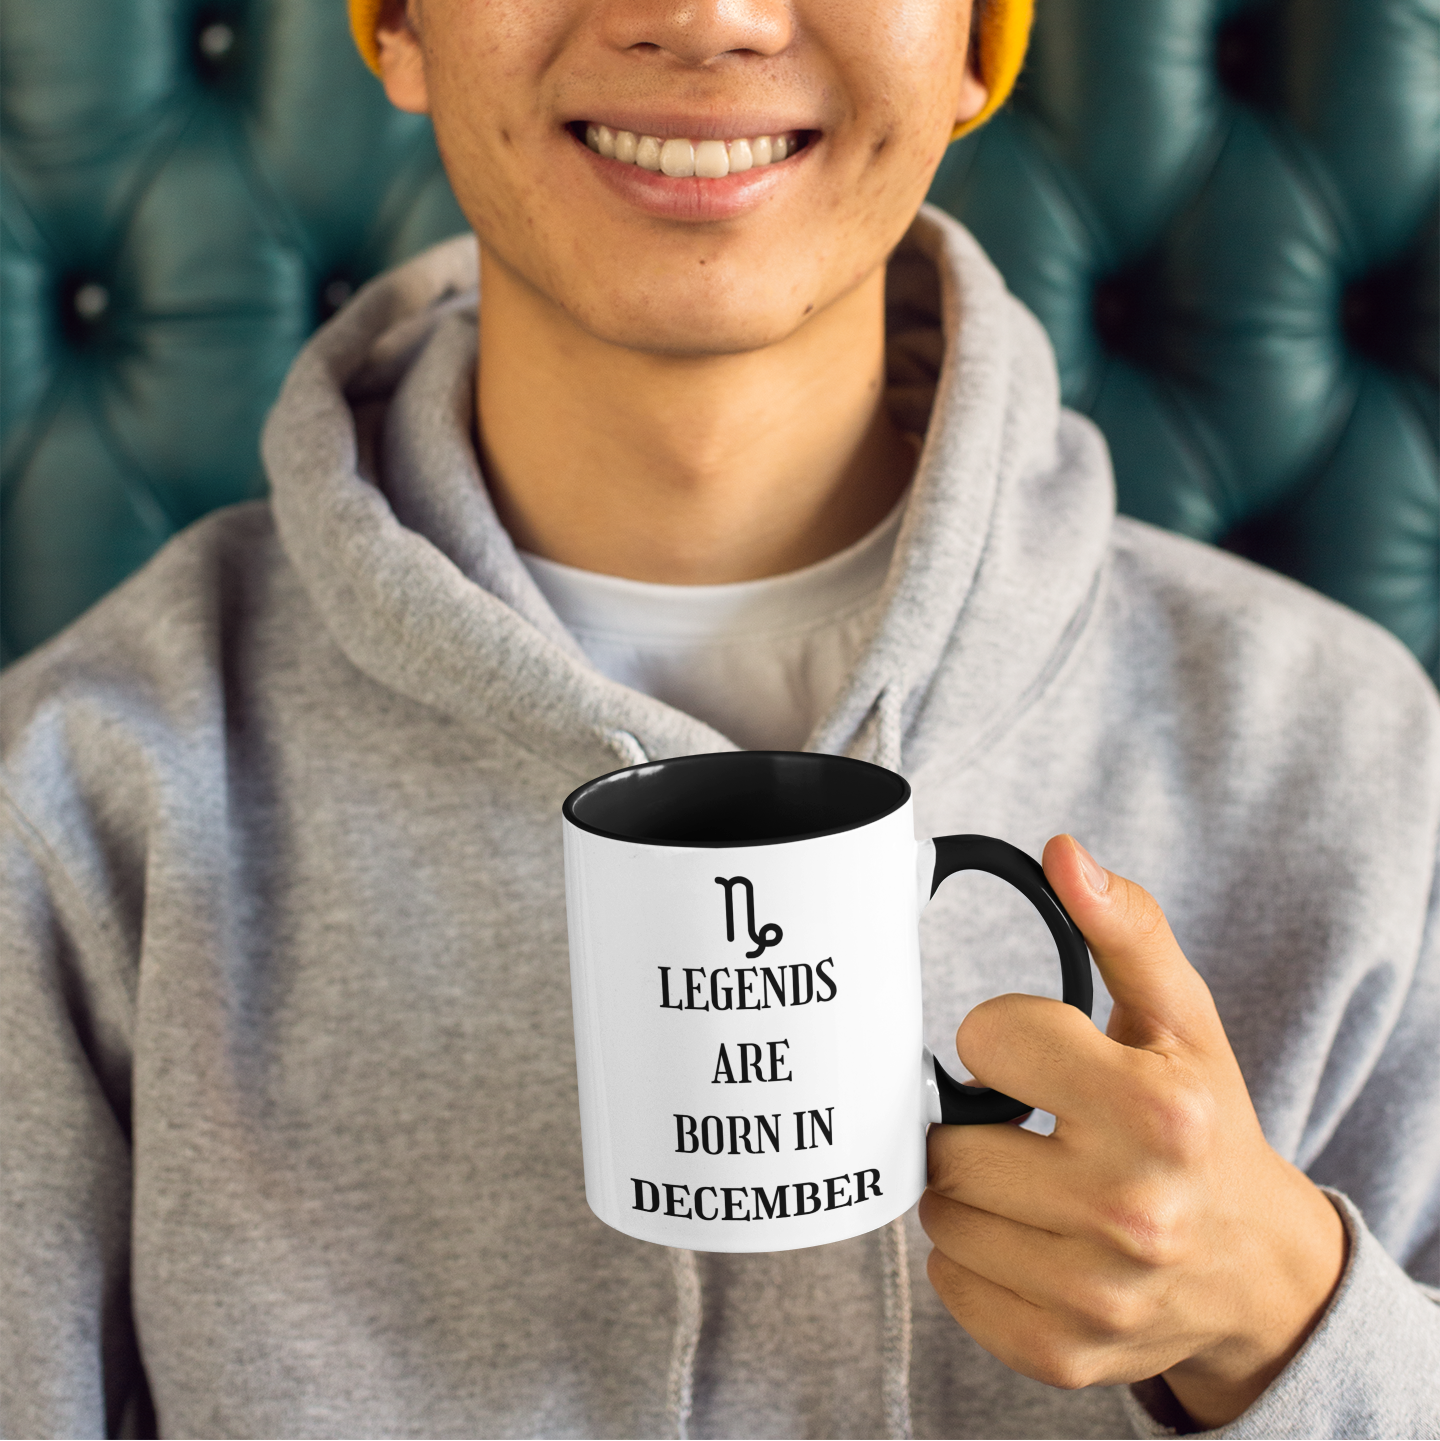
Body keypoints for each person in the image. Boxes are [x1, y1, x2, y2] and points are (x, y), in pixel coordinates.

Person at [2, 0, 1438, 1435]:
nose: (707, 19)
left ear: (976, 47)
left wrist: (1288, 1322)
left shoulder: (1346, 756)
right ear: (397, 24)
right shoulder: (79, 798)